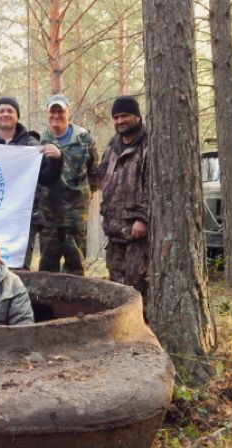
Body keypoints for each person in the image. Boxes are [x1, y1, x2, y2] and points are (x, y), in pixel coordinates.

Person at [0, 97, 62, 269]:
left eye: (10, 111)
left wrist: (56, 161)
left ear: (17, 116)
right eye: (1, 111)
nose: (6, 114)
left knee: (18, 269)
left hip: (23, 218)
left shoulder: (32, 144)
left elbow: (48, 179)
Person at [38, 94, 99, 275]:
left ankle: (74, 303)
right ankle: (47, 304)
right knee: (47, 269)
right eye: (52, 111)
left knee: (76, 266)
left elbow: (94, 172)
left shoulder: (83, 138)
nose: (56, 115)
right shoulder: (40, 141)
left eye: (61, 111)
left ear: (68, 112)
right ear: (47, 113)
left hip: (76, 216)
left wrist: (84, 196)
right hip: (49, 215)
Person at [98, 95, 149, 304]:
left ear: (137, 116)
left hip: (136, 232)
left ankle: (144, 330)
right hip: (114, 230)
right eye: (116, 117)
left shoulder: (148, 144)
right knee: (115, 286)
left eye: (125, 116)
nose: (120, 121)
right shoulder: (112, 145)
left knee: (138, 285)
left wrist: (142, 218)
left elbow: (152, 184)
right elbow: (101, 177)